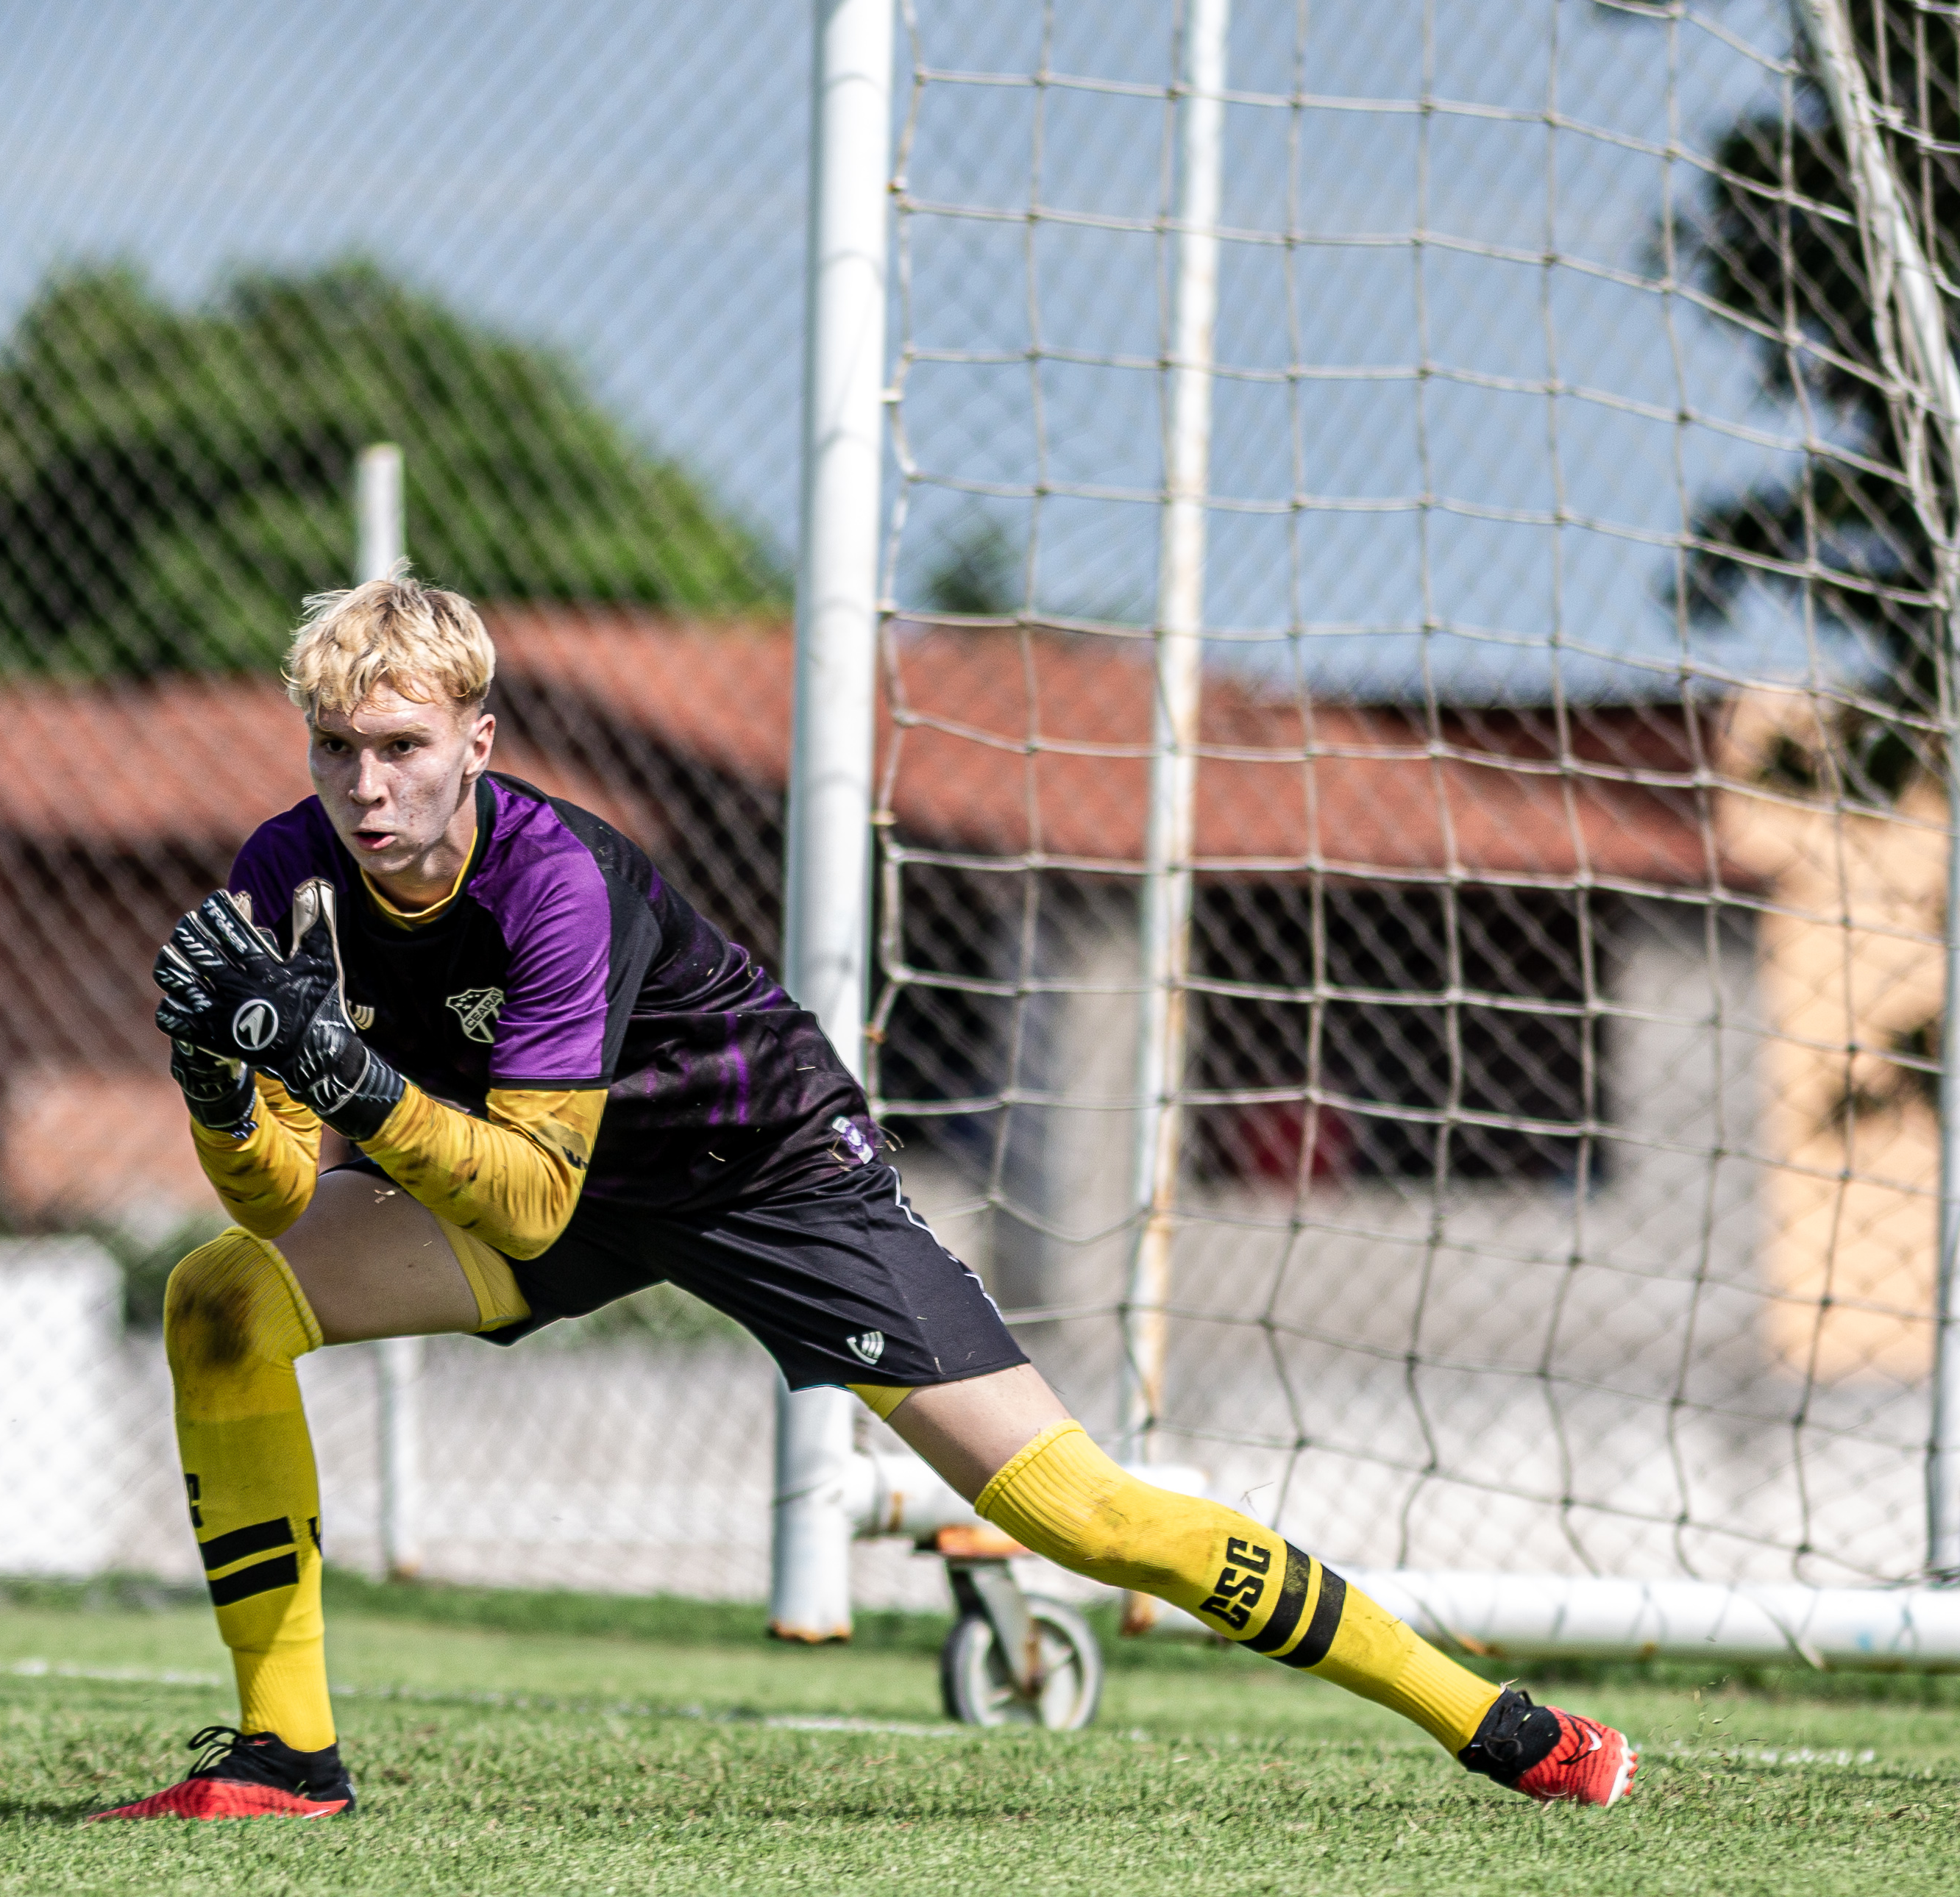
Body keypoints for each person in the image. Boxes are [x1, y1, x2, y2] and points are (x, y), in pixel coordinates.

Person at [92, 574, 1635, 1821]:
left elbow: (526, 1201)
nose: (368, 787)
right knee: (223, 1294)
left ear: (476, 743)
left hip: (757, 1172)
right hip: (530, 1173)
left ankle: (1497, 1723)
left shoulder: (555, 880)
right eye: (337, 751)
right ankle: (283, 1762)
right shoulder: (283, 877)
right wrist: (225, 1092)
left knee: (1073, 1513)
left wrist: (353, 1088)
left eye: (403, 747)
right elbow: (272, 1192)